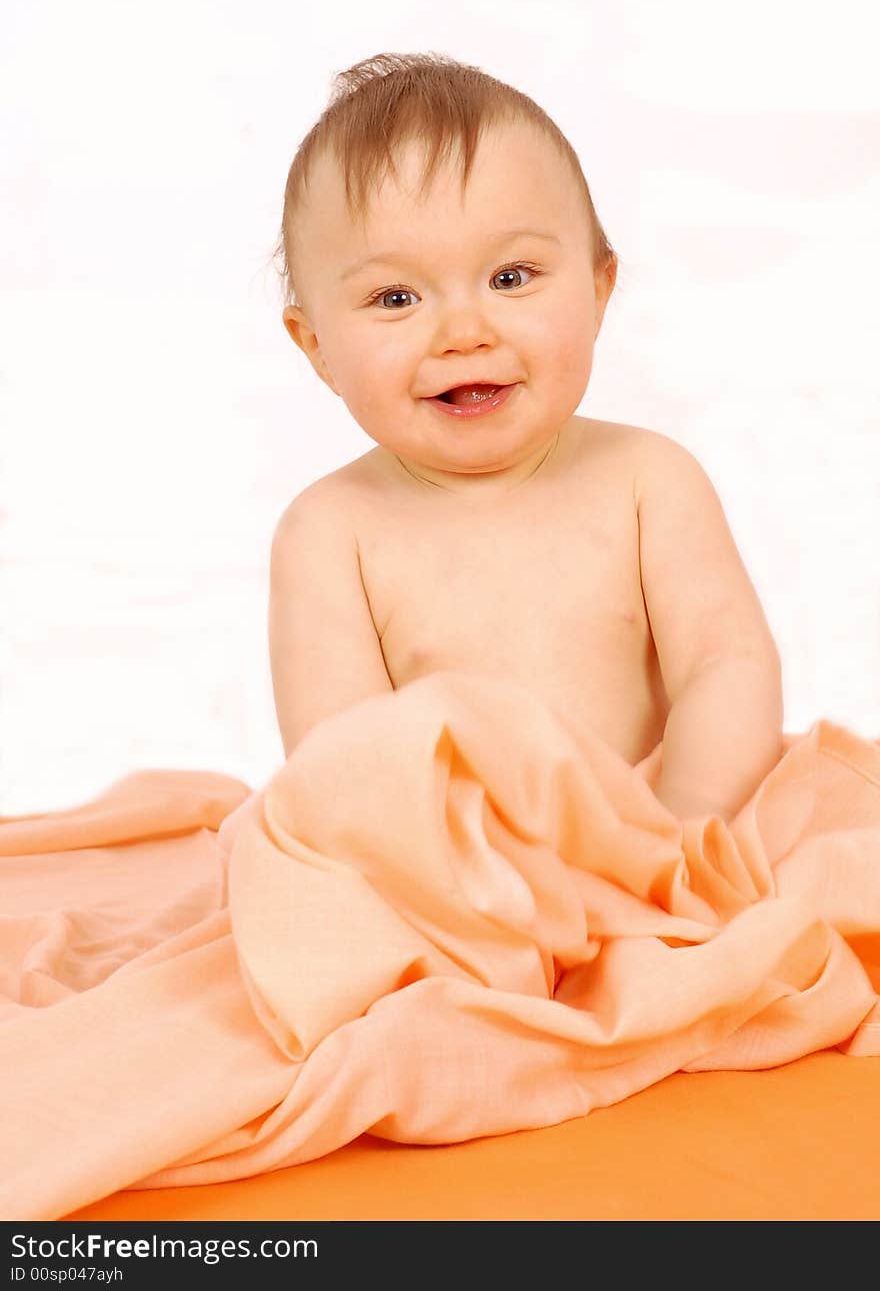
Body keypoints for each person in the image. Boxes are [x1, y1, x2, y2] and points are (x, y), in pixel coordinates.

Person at [268, 50, 784, 824]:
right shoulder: (331, 532)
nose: (465, 332)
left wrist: (686, 829)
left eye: (511, 277)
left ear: (599, 289)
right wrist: (463, 889)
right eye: (396, 296)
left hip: (661, 836)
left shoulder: (649, 482)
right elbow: (342, 766)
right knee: (310, 894)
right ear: (316, 348)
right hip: (442, 880)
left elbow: (728, 667)